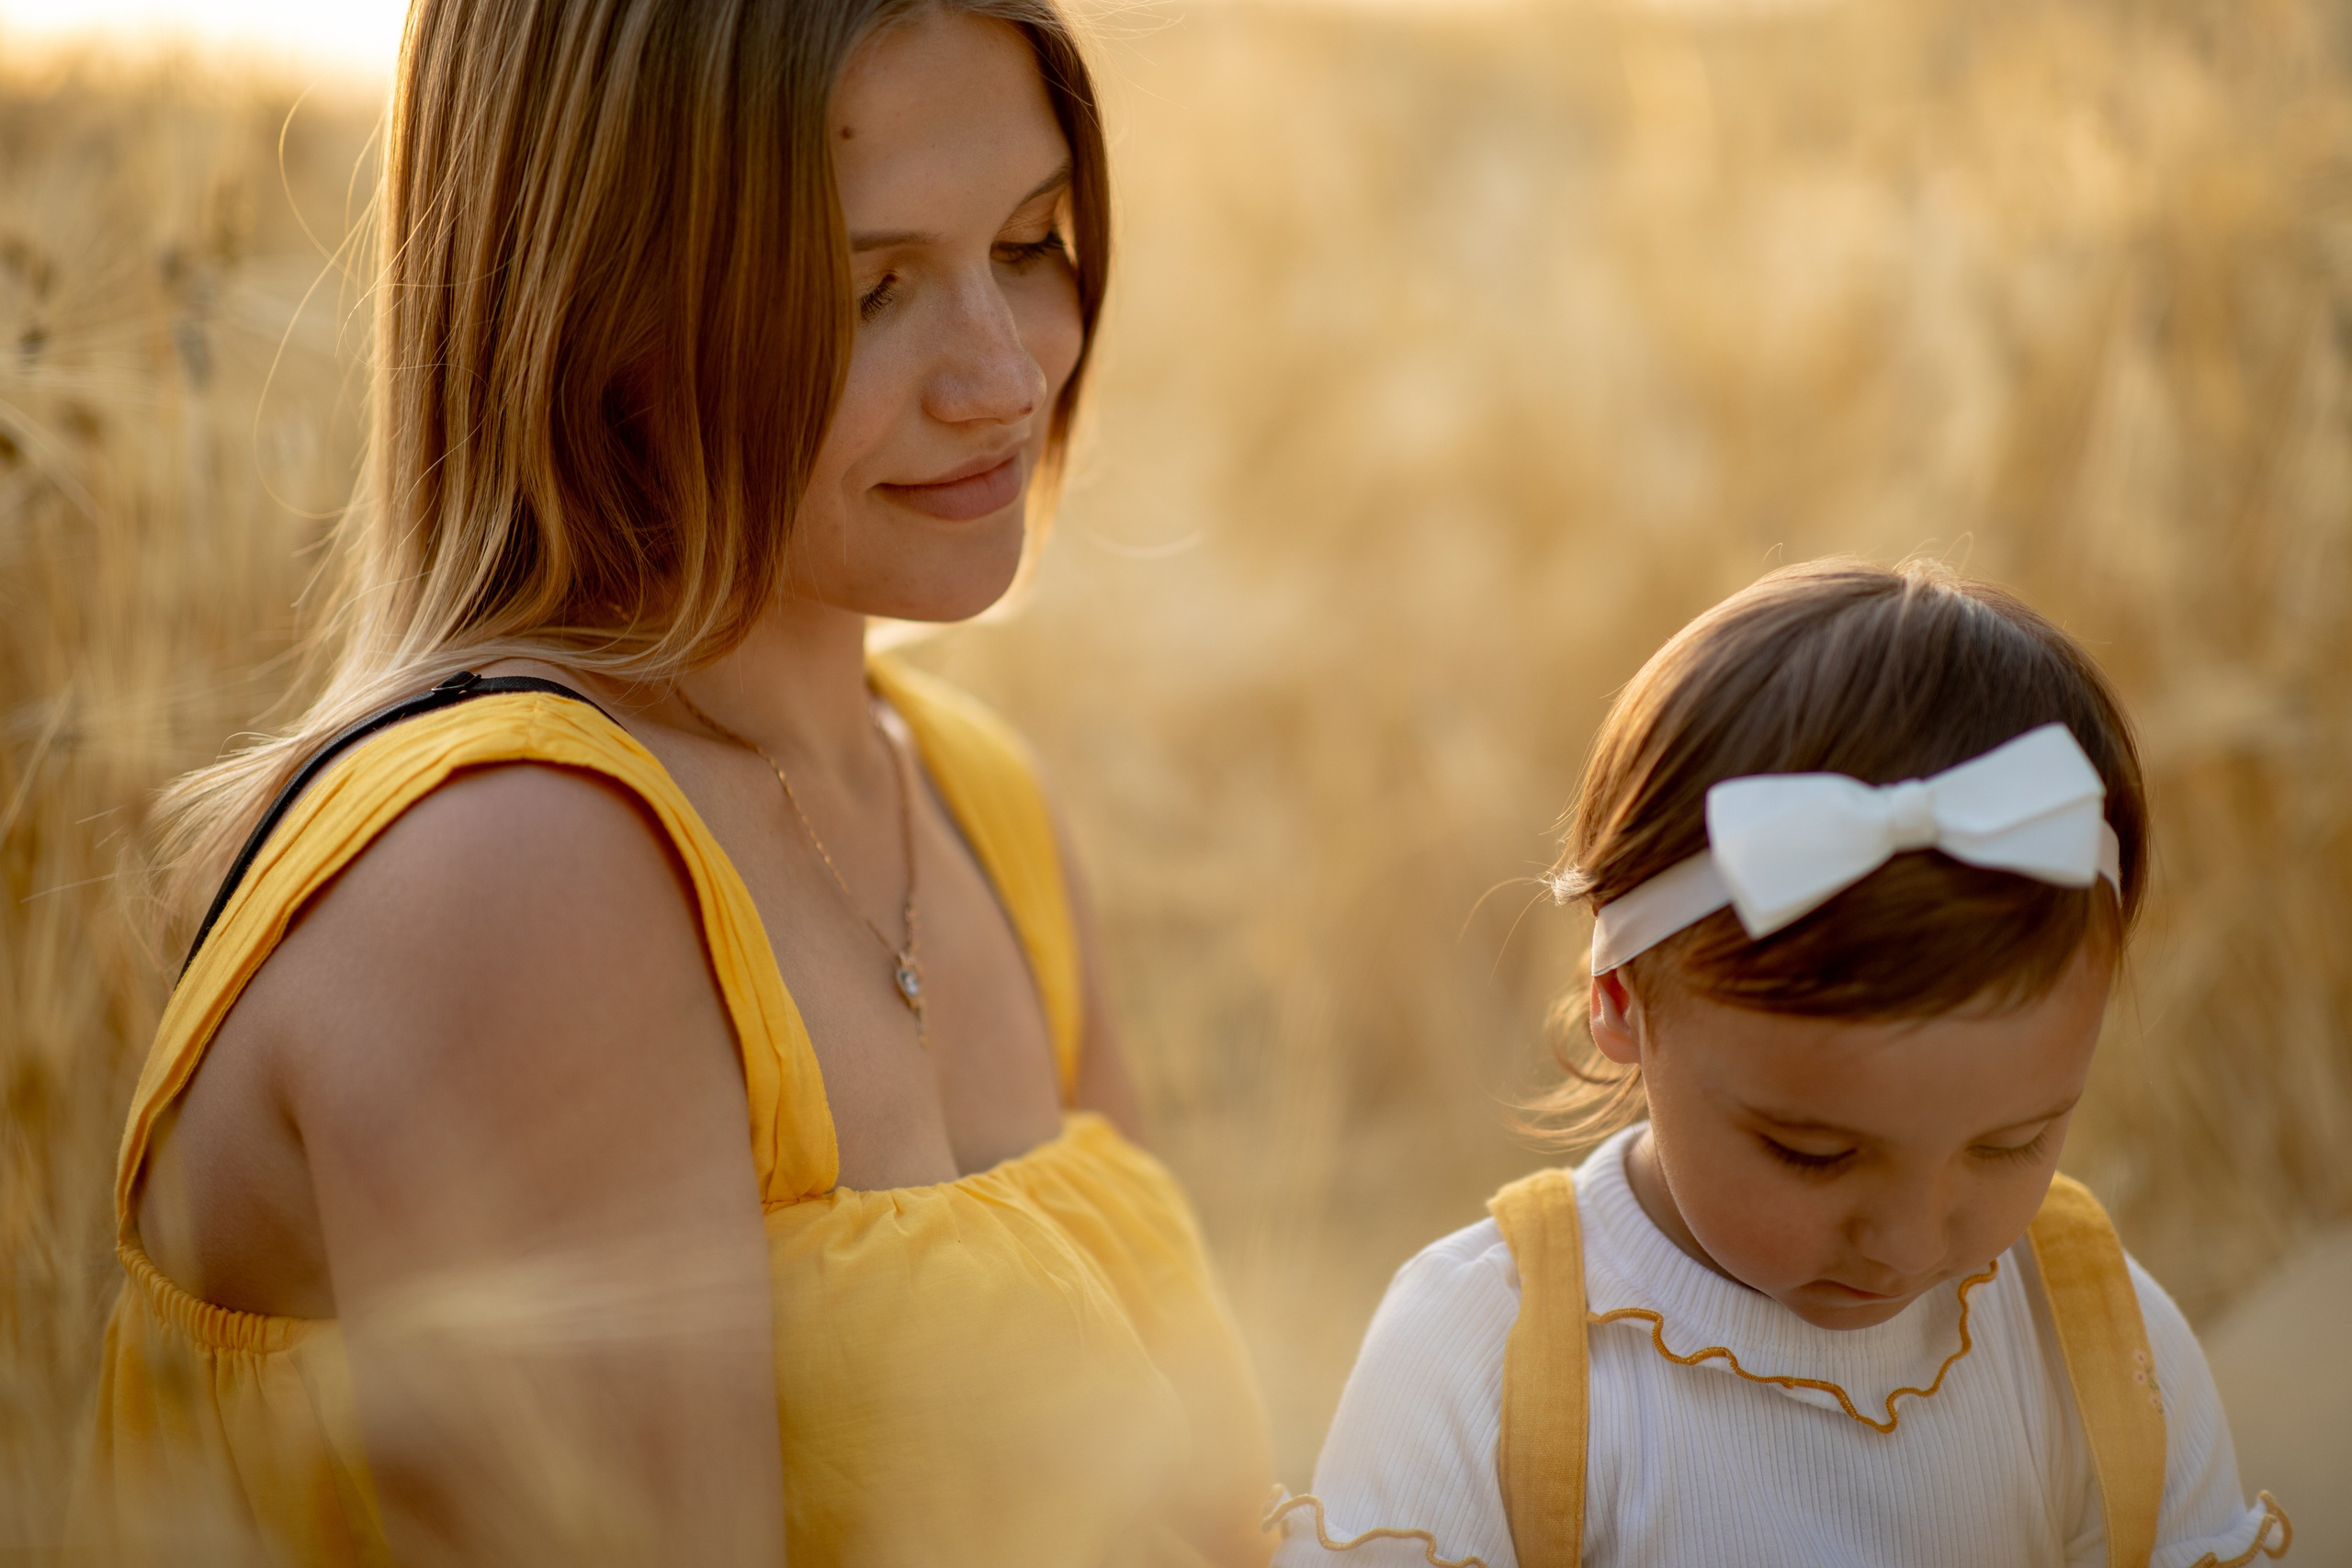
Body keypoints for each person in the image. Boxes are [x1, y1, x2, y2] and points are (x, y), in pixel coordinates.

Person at [73, 0, 1271, 1562]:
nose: (1002, 371)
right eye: (866, 291)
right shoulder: (506, 872)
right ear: (599, 306)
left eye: (1034, 243)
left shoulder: (973, 800)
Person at [1265, 559, 2292, 1568]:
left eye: (2008, 1145)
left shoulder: (2092, 1338)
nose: (1905, 1240)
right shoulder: (1490, 1356)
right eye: (1812, 1153)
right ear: (1619, 1000)